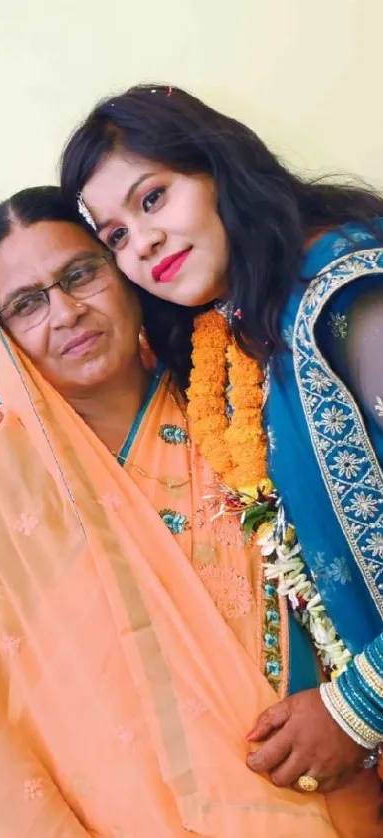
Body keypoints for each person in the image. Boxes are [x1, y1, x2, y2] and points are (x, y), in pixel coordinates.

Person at [0, 187, 380, 838]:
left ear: (124, 275)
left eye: (79, 275)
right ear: (5, 336)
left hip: (337, 785)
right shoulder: (0, 480)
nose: (65, 313)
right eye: (27, 304)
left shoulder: (245, 392)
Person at [58, 83, 383, 794]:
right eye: (113, 236)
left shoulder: (349, 297)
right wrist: (6, 412)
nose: (140, 242)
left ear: (218, 169)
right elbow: (98, 369)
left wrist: (358, 708)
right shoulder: (233, 328)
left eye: (152, 198)